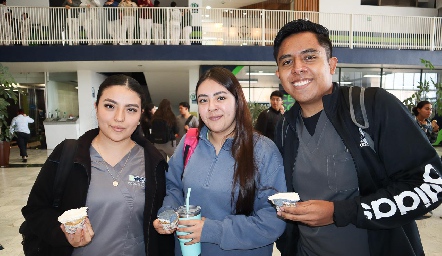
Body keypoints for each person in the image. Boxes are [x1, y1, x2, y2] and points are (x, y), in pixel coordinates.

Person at [273, 19, 442, 256]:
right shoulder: (285, 128)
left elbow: (431, 184)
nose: (298, 67)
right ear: (279, 73)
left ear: (332, 64)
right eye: (287, 61)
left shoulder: (370, 106)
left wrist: (339, 212)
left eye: (309, 57)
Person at [21, 75, 174, 256]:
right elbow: (35, 210)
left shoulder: (153, 162)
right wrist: (62, 233)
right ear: (96, 108)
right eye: (110, 106)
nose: (119, 118)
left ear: (141, 115)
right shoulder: (69, 154)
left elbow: (159, 223)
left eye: (131, 109)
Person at [153, 67, 287, 255]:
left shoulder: (264, 151)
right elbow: (174, 187)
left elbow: (274, 219)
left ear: (237, 101)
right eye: (203, 100)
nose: (211, 107)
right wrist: (168, 214)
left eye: (221, 98)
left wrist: (211, 231)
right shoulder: (189, 142)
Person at [412, 100, 440, 219]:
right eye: (427, 109)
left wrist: (434, 131)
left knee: (424, 182)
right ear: (419, 109)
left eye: (431, 109)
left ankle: (422, 207)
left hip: (424, 158)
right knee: (413, 182)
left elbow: (431, 142)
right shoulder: (411, 122)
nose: (430, 112)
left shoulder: (429, 124)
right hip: (411, 156)